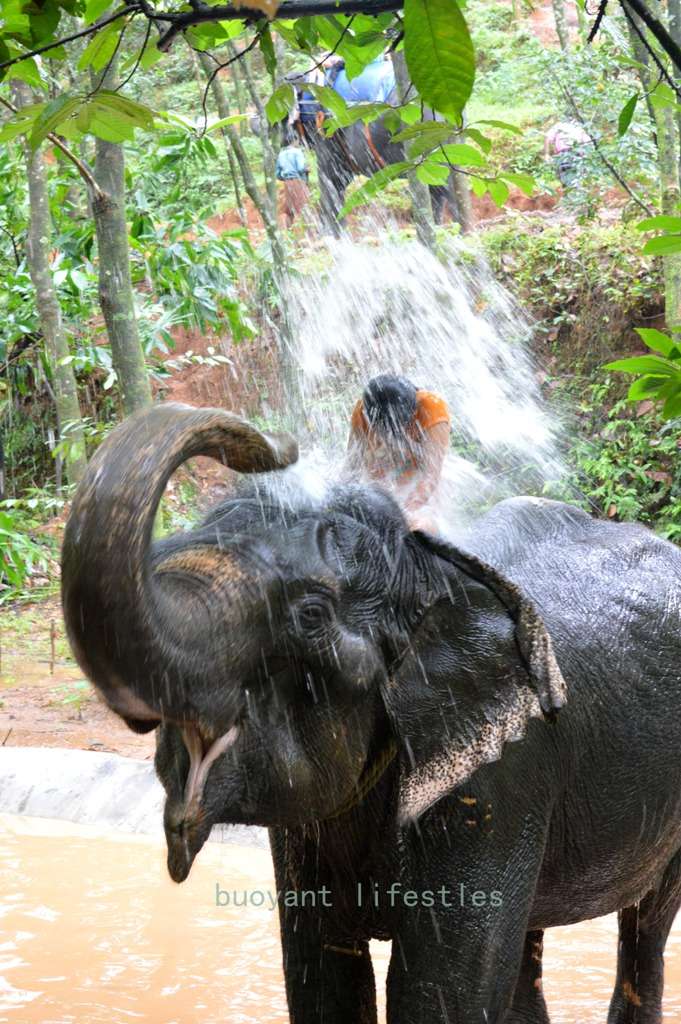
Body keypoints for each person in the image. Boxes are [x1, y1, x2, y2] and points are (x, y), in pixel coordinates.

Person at [346, 374, 451, 532]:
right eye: (386, 429)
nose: (395, 434)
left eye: (399, 426)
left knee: (420, 526)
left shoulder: (433, 410)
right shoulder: (363, 412)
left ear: (413, 410)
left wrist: (404, 513)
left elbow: (431, 475)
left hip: (420, 476)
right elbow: (352, 468)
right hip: (382, 473)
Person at [544, 120, 591, 188]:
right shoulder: (579, 127)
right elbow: (587, 142)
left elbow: (547, 137)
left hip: (564, 156)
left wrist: (546, 154)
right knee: (578, 179)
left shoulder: (559, 125)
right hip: (574, 155)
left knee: (566, 180)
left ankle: (570, 192)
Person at [276, 136, 310, 228]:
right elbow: (300, 168)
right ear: (294, 141)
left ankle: (289, 233)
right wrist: (307, 169)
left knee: (290, 210)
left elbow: (278, 174)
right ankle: (306, 233)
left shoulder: (281, 154)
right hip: (298, 182)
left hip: (287, 184)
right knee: (303, 208)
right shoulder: (297, 152)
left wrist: (286, 176)